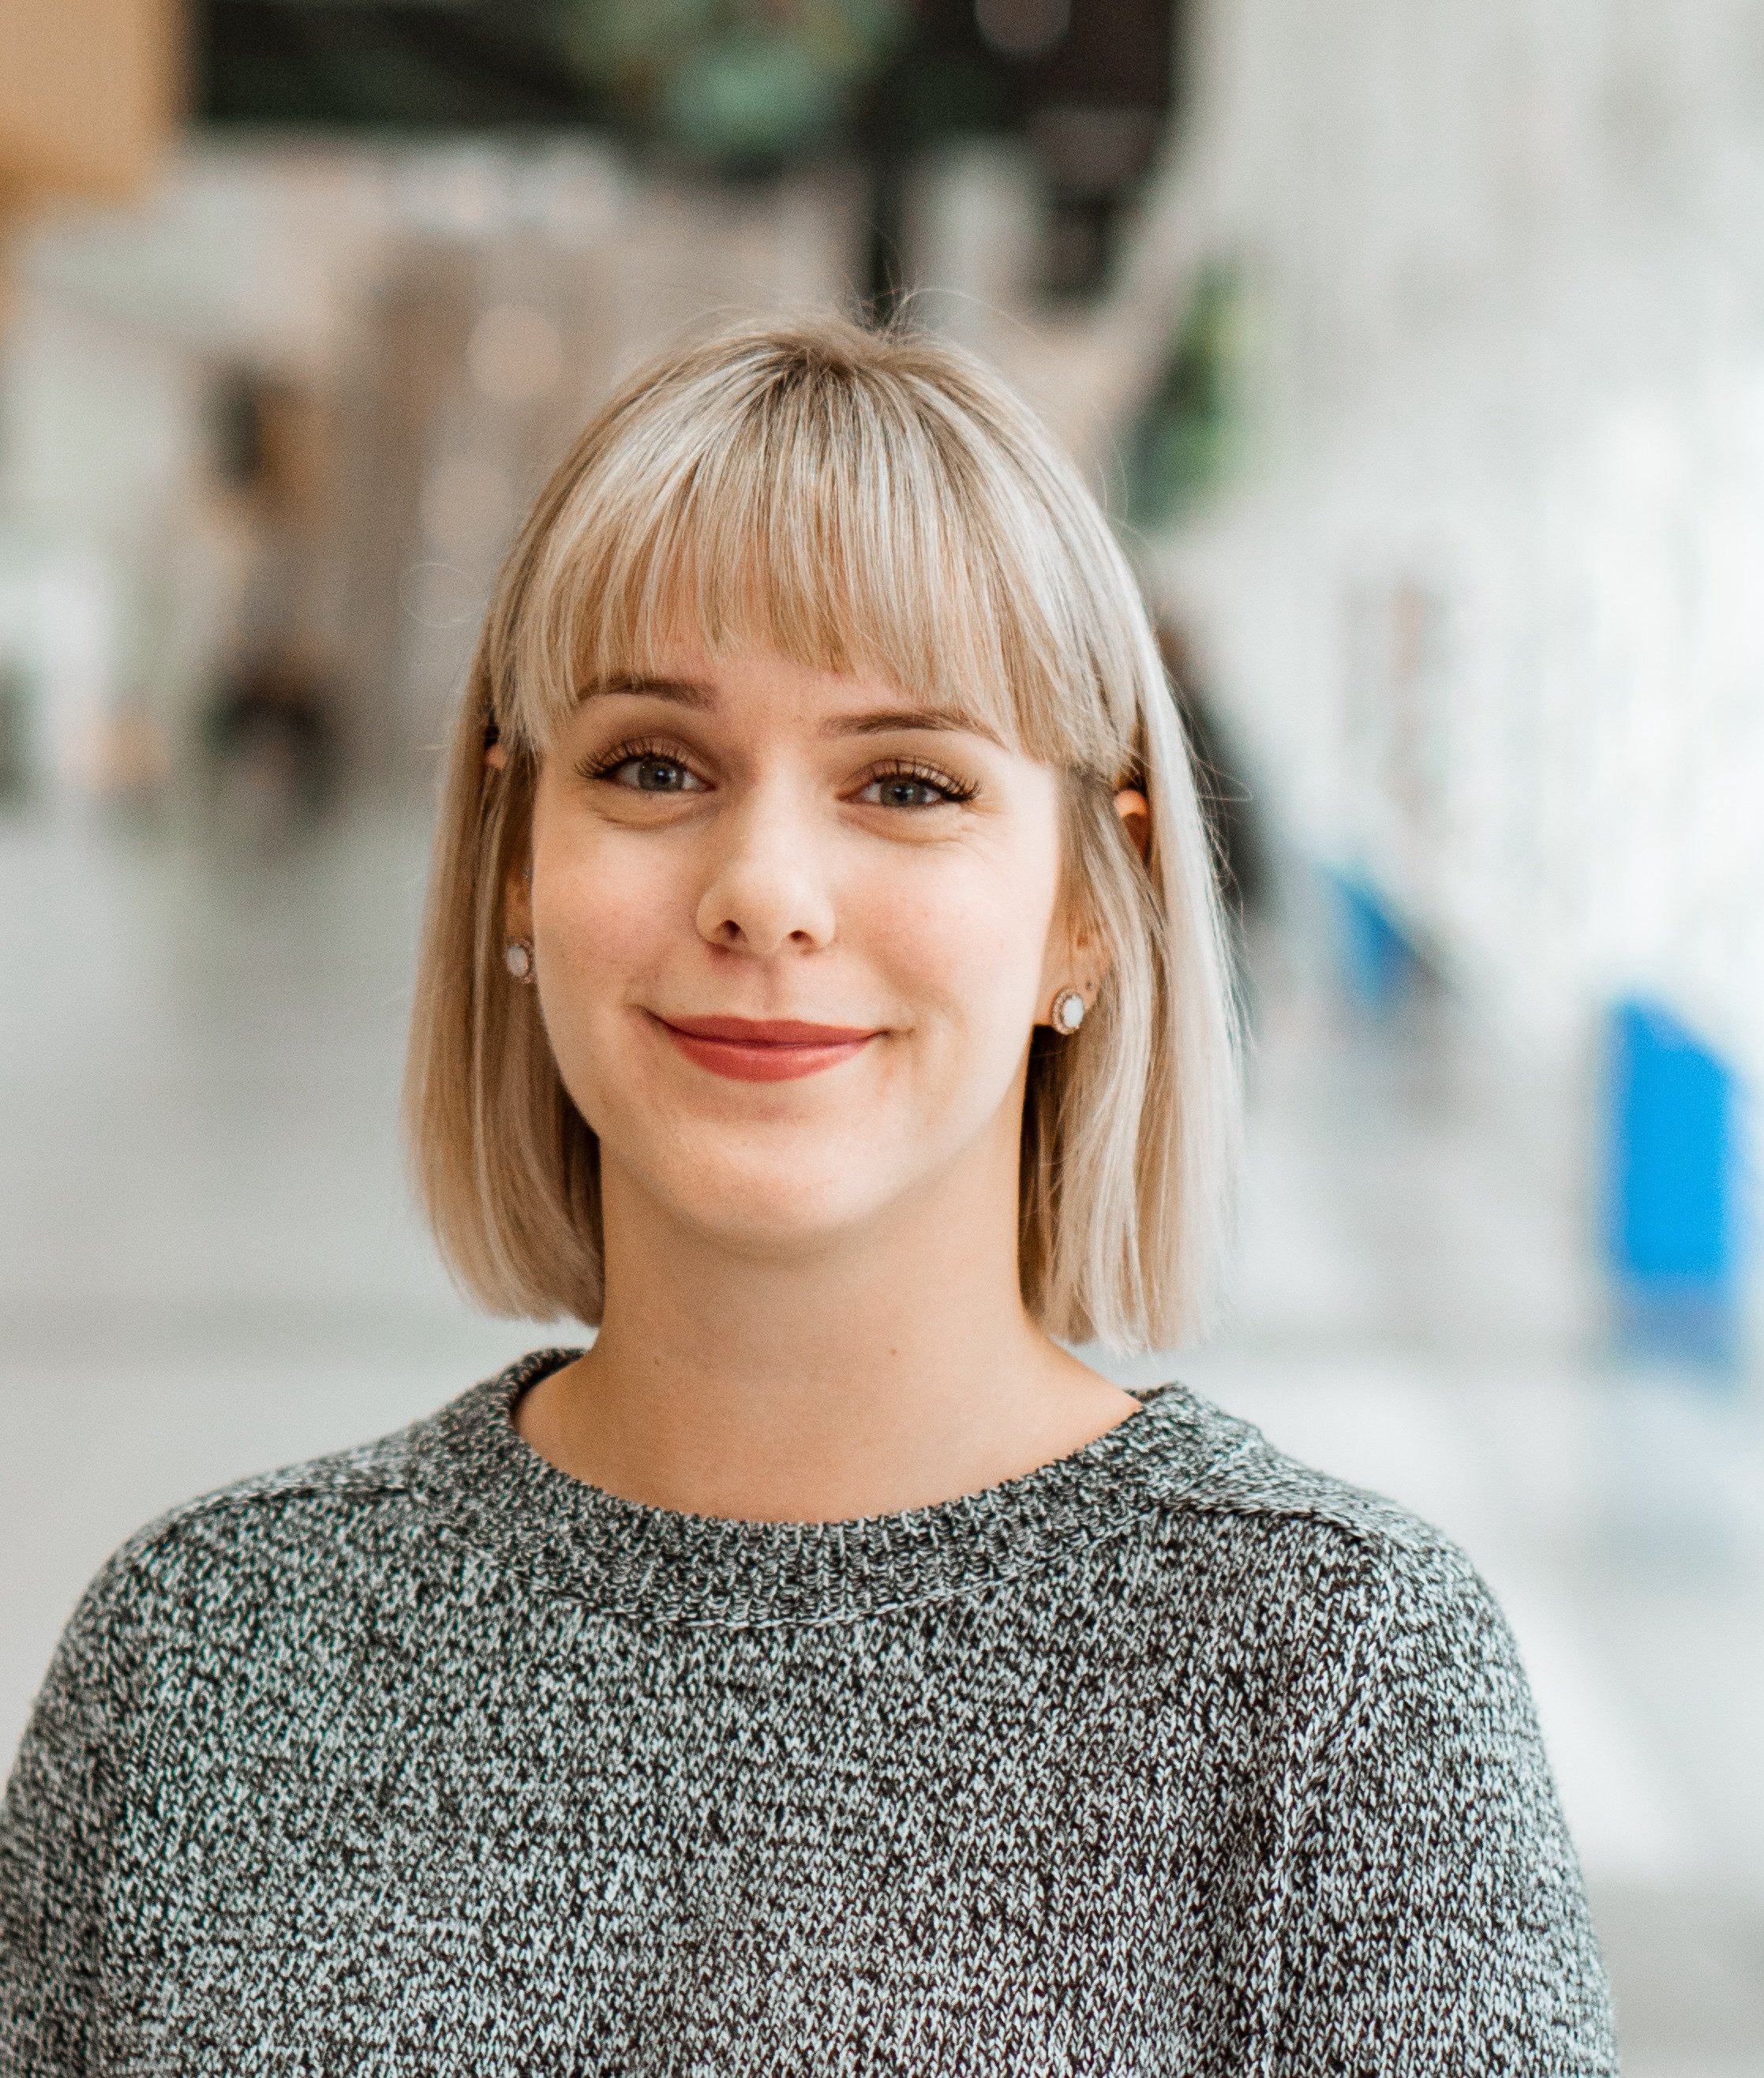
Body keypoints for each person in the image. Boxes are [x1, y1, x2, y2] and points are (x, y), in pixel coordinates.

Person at [0, 316, 1615, 2073]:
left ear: (1092, 897)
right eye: (651, 768)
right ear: (516, 860)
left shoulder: (1337, 1691)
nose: (764, 890)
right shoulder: (202, 1660)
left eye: (905, 783)